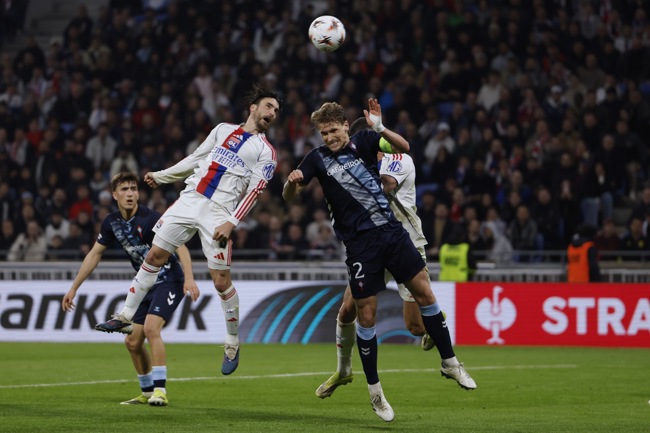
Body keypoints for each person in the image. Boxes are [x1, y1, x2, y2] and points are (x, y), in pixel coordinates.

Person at [283, 99, 476, 422]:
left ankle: (451, 363)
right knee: (366, 315)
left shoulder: (365, 141)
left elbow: (404, 147)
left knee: (426, 294)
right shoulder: (316, 158)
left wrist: (380, 126)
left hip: (391, 233)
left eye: (333, 130)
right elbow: (290, 195)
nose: (328, 137)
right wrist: (291, 183)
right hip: (360, 246)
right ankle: (375, 392)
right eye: (323, 133)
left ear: (346, 126)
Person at [94, 85, 282, 376]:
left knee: (220, 281)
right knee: (155, 255)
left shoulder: (267, 152)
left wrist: (232, 222)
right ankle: (125, 315)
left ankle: (232, 341)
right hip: (190, 199)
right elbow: (195, 158)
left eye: (277, 111)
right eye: (269, 106)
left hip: (219, 212)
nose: (273, 113)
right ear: (253, 108)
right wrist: (162, 176)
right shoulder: (222, 130)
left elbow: (255, 191)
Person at [313, 117, 437, 403]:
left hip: (404, 243)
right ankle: (343, 370)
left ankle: (437, 319)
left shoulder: (398, 160)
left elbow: (385, 186)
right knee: (347, 310)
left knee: (415, 327)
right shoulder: (354, 166)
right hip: (372, 247)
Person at [61, 172, 200, 406]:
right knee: (132, 343)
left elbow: (180, 246)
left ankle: (160, 391)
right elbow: (94, 255)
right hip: (145, 284)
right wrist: (74, 288)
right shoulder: (111, 222)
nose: (130, 194)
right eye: (124, 189)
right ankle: (147, 392)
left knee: (152, 329)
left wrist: (189, 278)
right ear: (114, 195)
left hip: (169, 279)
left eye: (134, 189)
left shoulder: (151, 218)